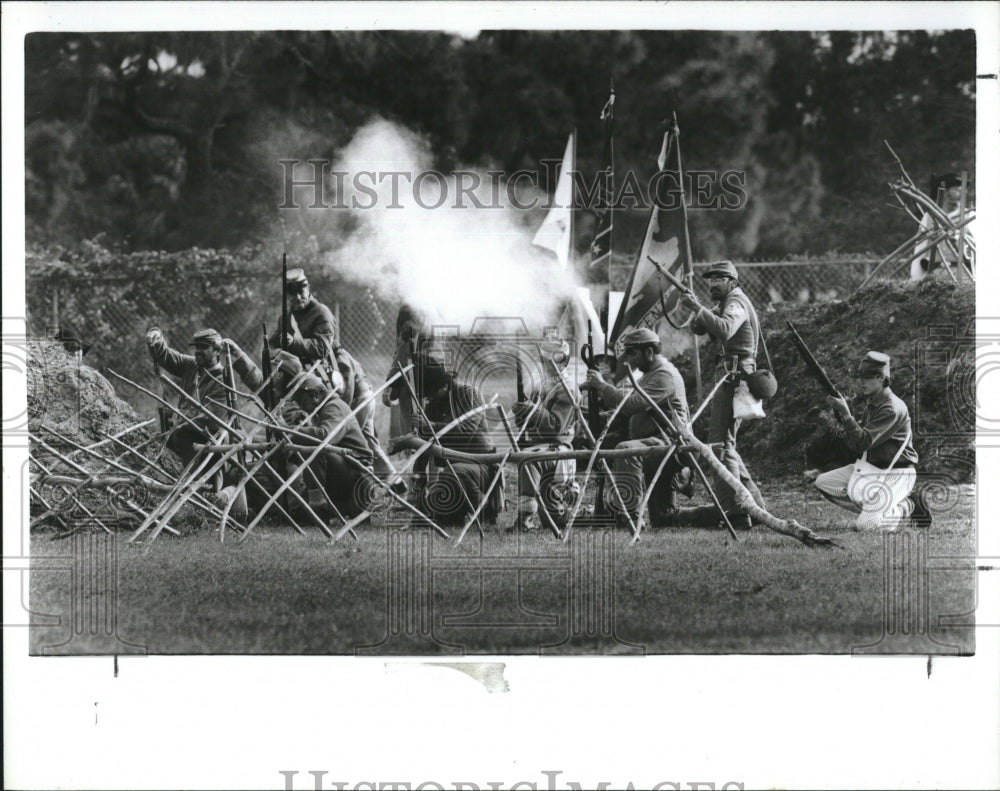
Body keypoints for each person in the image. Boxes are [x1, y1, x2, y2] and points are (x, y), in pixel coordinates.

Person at [679, 260, 765, 530]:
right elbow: (702, 327)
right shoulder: (727, 301)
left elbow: (726, 328)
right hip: (731, 372)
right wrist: (697, 311)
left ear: (732, 281)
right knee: (726, 443)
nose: (713, 283)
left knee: (719, 444)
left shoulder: (736, 302)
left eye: (720, 278)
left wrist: (697, 307)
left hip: (735, 375)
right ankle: (756, 506)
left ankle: (736, 511)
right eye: (711, 278)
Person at [585, 327, 690, 531]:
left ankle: (630, 516)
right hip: (653, 444)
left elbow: (633, 405)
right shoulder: (649, 375)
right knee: (664, 518)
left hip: (669, 445)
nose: (628, 361)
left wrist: (602, 386)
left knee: (626, 450)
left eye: (632, 354)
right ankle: (718, 514)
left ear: (649, 352)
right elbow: (629, 413)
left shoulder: (664, 375)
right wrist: (592, 417)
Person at [814, 351, 930, 531]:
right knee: (823, 483)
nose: (861, 382)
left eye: (867, 377)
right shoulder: (875, 402)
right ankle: (876, 511)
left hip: (895, 474)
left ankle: (908, 506)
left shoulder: (891, 408)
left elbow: (863, 442)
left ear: (882, 378)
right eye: (860, 377)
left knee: (867, 526)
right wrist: (844, 418)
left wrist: (846, 414)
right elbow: (856, 445)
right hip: (870, 469)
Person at [277, 372, 375, 518]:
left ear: (315, 394)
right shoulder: (324, 409)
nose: (300, 406)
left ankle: (320, 508)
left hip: (357, 474)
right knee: (296, 513)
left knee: (313, 450)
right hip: (345, 470)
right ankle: (323, 506)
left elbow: (325, 437)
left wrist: (287, 430)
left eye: (301, 400)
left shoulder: (334, 406)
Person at [416, 357, 497, 526]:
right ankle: (459, 510)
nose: (428, 398)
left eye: (431, 393)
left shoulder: (469, 394)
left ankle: (485, 508)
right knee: (435, 511)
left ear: (444, 386)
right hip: (451, 471)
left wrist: (432, 426)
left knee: (456, 471)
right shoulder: (433, 405)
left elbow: (465, 432)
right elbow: (426, 442)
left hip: (479, 464)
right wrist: (419, 476)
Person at [511, 333, 579, 531]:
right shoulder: (540, 386)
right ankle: (565, 512)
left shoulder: (568, 389)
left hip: (558, 449)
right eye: (547, 360)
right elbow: (529, 422)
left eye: (556, 360)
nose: (551, 365)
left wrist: (532, 411)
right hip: (541, 448)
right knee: (553, 519)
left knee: (529, 461)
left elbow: (555, 428)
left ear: (564, 360)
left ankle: (525, 518)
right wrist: (522, 413)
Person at [145, 327, 233, 464]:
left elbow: (211, 421)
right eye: (196, 347)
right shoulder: (192, 366)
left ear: (217, 350)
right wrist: (157, 339)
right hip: (183, 435)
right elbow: (167, 357)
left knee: (179, 435)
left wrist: (177, 416)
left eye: (203, 347)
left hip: (209, 446)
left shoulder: (223, 381)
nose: (198, 351)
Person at [911, 173, 975, 280]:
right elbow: (920, 249)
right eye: (956, 189)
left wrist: (960, 237)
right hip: (936, 275)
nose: (962, 192)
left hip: (963, 275)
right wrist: (916, 279)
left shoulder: (970, 216)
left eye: (962, 189)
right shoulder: (929, 217)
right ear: (945, 192)